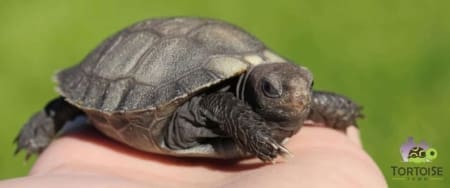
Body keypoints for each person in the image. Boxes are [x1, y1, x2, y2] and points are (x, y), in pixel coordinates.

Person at [0, 124, 387, 188]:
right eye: (272, 90)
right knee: (69, 109)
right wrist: (255, 137)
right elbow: (225, 107)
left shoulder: (284, 92)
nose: (297, 100)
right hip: (151, 78)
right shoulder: (231, 103)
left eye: (307, 89)